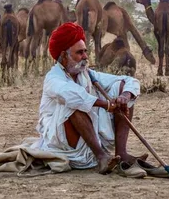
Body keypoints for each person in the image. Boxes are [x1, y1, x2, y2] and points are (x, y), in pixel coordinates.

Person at [30, 22, 146, 175]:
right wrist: (106, 105)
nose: (85, 56)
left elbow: (130, 81)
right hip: (64, 146)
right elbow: (72, 96)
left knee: (121, 85)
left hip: (90, 139)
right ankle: (101, 157)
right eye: (79, 53)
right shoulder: (53, 78)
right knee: (72, 102)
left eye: (85, 51)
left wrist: (125, 96)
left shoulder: (87, 74)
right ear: (64, 56)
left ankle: (121, 154)